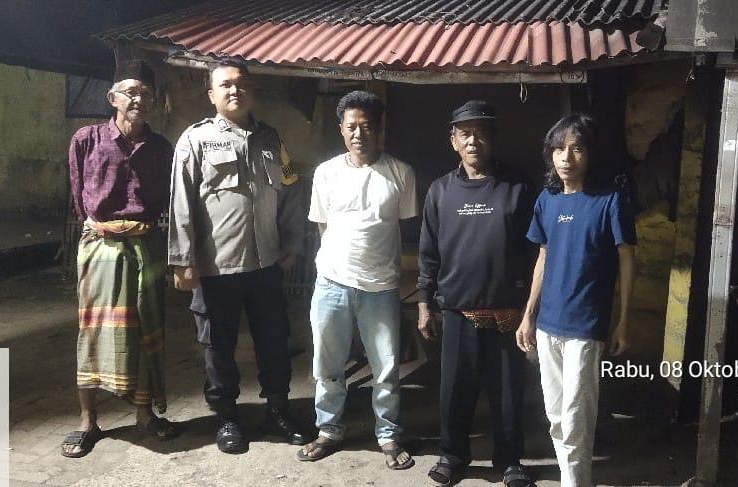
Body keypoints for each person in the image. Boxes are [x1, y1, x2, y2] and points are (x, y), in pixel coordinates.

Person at [167, 59, 309, 454]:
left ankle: (278, 410)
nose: (235, 90)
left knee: (274, 341)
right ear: (211, 95)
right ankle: (227, 417)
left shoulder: (271, 139)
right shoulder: (195, 140)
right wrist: (182, 259)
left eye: (242, 84)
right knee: (218, 347)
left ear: (252, 91)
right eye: (226, 85)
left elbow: (290, 190)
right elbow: (181, 203)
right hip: (217, 267)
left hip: (266, 265)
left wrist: (292, 241)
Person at [416, 100, 536, 487]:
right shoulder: (440, 191)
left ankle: (510, 460)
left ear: (493, 139)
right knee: (455, 390)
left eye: (481, 133)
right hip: (457, 310)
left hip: (507, 313)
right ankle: (453, 455)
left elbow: (535, 250)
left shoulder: (517, 188)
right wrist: (424, 304)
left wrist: (529, 308)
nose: (473, 141)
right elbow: (428, 253)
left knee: (508, 392)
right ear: (453, 140)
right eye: (465, 134)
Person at [62, 60, 178, 458]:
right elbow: (79, 199)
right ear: (112, 98)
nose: (138, 100)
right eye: (131, 92)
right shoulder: (86, 139)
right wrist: (105, 228)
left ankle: (144, 416)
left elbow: (165, 200)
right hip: (101, 246)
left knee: (146, 328)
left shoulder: (161, 148)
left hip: (146, 247)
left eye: (146, 94)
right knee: (94, 330)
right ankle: (87, 421)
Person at [296, 90, 418, 470]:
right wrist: (337, 265)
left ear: (379, 128)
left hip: (381, 288)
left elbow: (404, 232)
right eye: (351, 127)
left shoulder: (400, 173)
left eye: (366, 126)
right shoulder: (326, 173)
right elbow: (322, 227)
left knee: (386, 368)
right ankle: (329, 429)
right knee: (327, 365)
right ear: (341, 129)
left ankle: (388, 434)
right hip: (331, 284)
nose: (358, 134)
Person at [515, 113, 637, 487]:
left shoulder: (610, 200)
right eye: (559, 149)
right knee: (555, 413)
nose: (566, 157)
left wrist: (623, 320)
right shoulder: (547, 200)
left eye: (576, 148)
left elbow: (627, 257)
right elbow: (543, 256)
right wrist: (528, 315)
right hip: (548, 324)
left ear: (590, 154)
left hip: (586, 324)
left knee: (575, 413)